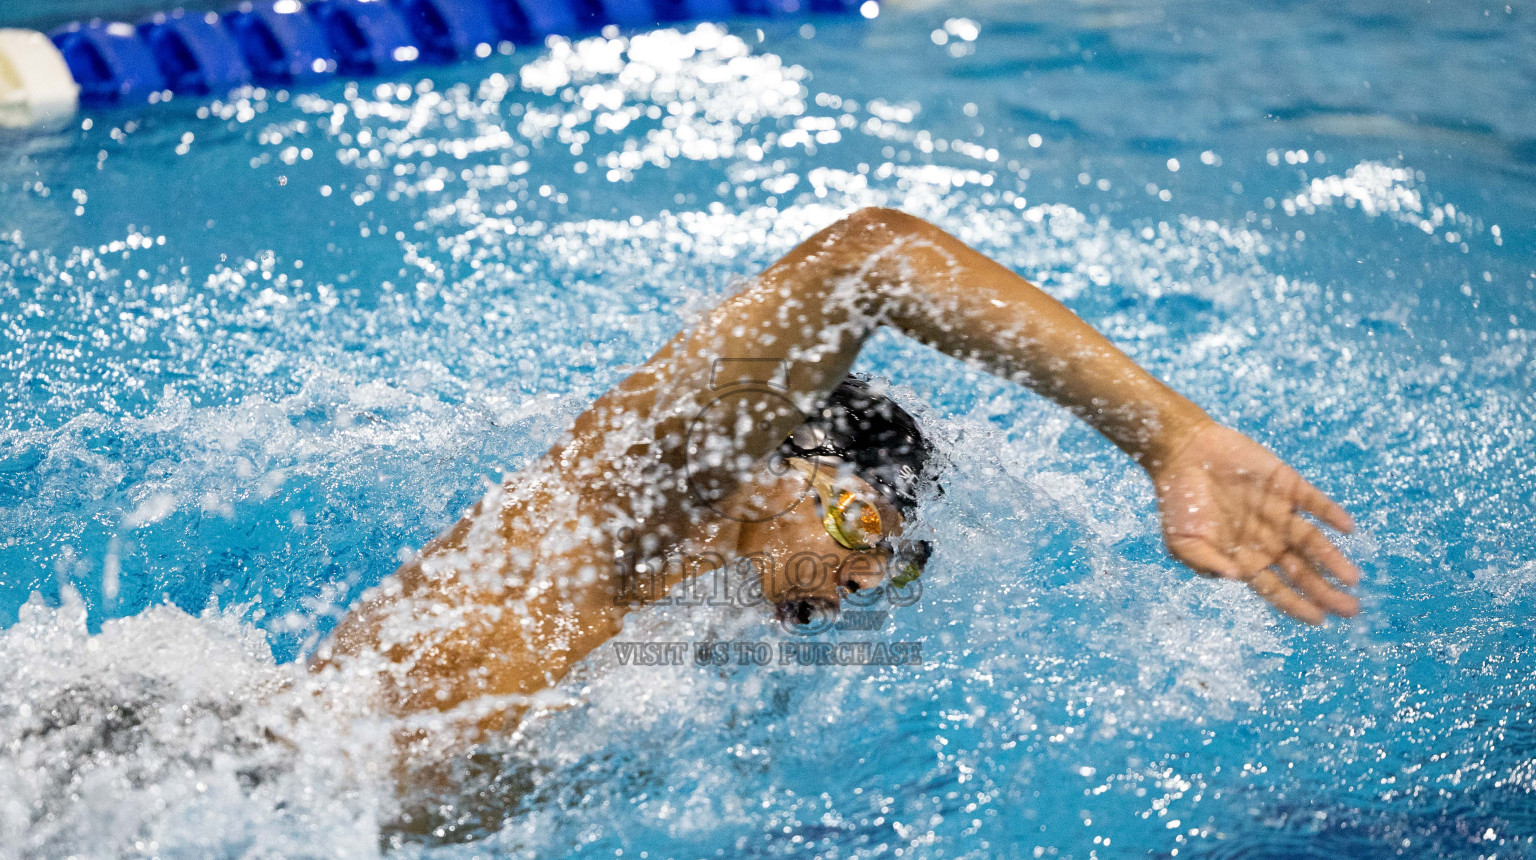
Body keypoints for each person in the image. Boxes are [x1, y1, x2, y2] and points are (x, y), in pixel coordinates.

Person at [311, 207, 1360, 736]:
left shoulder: (671, 648)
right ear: (781, 473)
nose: (865, 584)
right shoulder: (628, 509)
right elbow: (873, 255)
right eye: (866, 536)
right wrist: (1166, 434)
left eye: (891, 566)